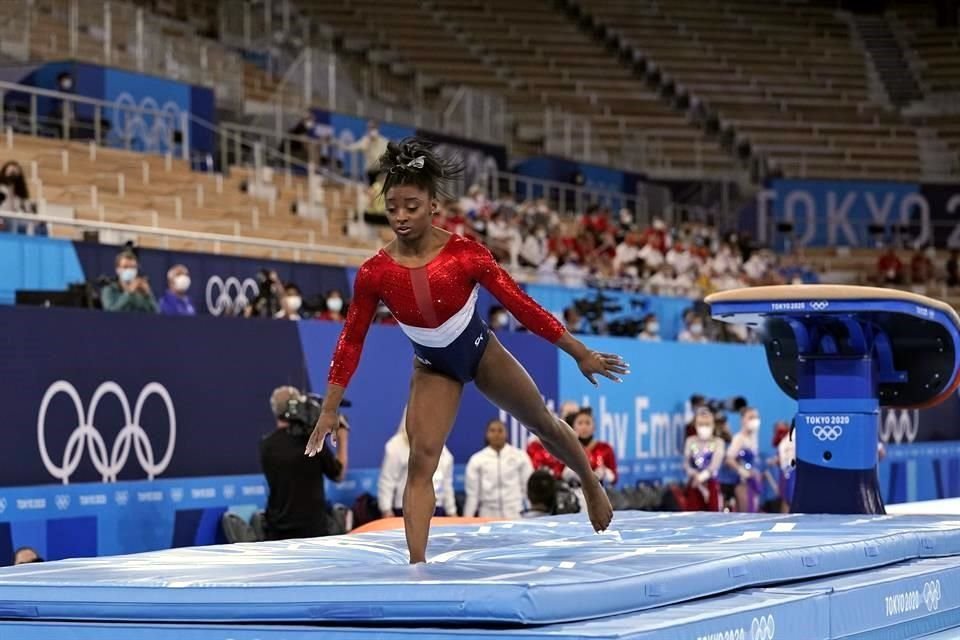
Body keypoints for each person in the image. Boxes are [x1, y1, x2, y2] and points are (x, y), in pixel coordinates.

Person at [306, 138, 622, 563]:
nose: (399, 216)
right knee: (422, 460)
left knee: (544, 425)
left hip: (481, 351)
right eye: (392, 206)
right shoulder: (375, 273)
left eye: (411, 206)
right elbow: (351, 340)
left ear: (433, 205)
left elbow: (522, 307)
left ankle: (588, 481)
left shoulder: (465, 255)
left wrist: (578, 350)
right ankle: (416, 566)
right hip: (433, 365)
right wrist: (329, 408)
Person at [259, 386, 347, 541]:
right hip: (314, 532)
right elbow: (338, 475)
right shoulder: (312, 441)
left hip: (277, 531)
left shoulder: (266, 445)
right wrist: (342, 438)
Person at [377, 408, 457, 518]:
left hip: (437, 510)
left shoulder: (442, 449)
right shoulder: (395, 446)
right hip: (405, 510)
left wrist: (452, 512)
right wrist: (386, 510)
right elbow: (387, 481)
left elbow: (446, 485)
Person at [463, 419, 534, 518]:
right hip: (487, 513)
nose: (496, 434)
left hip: (514, 511)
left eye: (500, 430)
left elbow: (528, 488)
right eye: (492, 431)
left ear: (506, 434)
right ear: (487, 434)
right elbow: (473, 495)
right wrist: (467, 519)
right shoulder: (477, 459)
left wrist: (533, 514)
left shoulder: (519, 456)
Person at [561, 408, 617, 486]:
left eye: (587, 423)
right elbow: (558, 473)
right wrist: (569, 472)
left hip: (601, 492)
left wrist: (605, 473)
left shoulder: (605, 448)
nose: (584, 427)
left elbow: (614, 478)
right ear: (573, 427)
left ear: (594, 427)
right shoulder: (568, 448)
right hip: (574, 492)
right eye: (580, 423)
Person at [683, 408, 725, 511]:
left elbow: (715, 464)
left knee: (713, 515)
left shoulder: (718, 442)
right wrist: (693, 474)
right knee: (692, 515)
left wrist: (702, 477)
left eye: (707, 424)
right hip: (694, 484)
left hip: (711, 484)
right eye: (700, 424)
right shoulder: (690, 441)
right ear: (695, 425)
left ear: (713, 425)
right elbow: (686, 464)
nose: (703, 427)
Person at [725, 407, 762, 513]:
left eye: (756, 417)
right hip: (742, 483)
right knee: (745, 514)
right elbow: (729, 459)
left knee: (754, 511)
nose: (754, 420)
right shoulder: (738, 438)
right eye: (751, 417)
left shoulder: (754, 437)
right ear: (743, 420)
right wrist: (743, 471)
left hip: (753, 481)